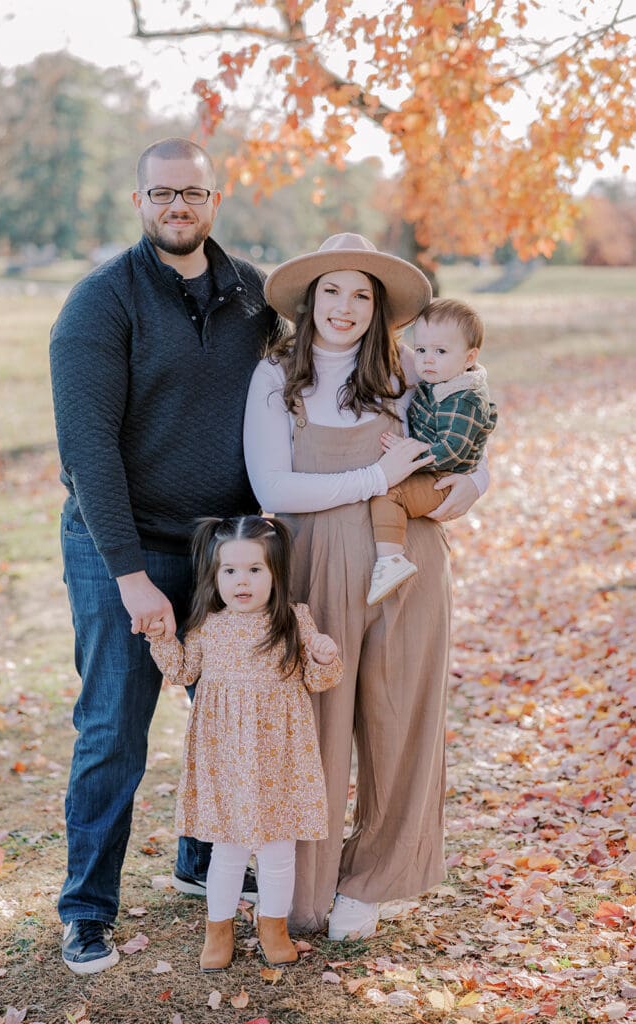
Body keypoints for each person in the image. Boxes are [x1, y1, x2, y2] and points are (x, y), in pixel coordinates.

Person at [49, 137, 288, 974]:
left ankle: (199, 861)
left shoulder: (255, 296)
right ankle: (86, 908)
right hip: (121, 543)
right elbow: (86, 451)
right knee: (115, 726)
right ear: (140, 199)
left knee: (225, 717)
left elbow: (317, 377)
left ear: (214, 199)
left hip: (221, 552)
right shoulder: (100, 303)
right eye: (161, 193)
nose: (176, 206)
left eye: (191, 192)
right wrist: (129, 576)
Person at [243, 233, 489, 939]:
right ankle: (306, 885)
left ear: (377, 306)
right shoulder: (273, 378)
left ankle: (374, 879)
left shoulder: (406, 371)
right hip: (312, 568)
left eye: (360, 294)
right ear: (308, 299)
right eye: (331, 291)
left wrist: (459, 490)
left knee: (395, 718)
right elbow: (272, 486)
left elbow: (474, 453)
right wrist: (378, 480)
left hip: (402, 567)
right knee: (312, 728)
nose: (345, 307)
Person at [145, 515, 341, 971]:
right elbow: (181, 672)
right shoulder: (207, 625)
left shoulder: (295, 619)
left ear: (276, 574)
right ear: (215, 576)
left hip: (280, 756)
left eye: (255, 570)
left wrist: (325, 656)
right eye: (229, 571)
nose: (242, 581)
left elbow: (318, 679)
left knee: (277, 848)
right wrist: (161, 639)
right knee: (227, 848)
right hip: (225, 756)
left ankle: (273, 927)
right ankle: (219, 929)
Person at [366, 298, 498, 605]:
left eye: (440, 351)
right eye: (421, 349)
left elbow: (454, 449)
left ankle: (391, 560)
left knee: (390, 495)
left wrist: (410, 456)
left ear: (470, 358)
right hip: (435, 468)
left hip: (442, 476)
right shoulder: (437, 379)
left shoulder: (462, 398)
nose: (426, 359)